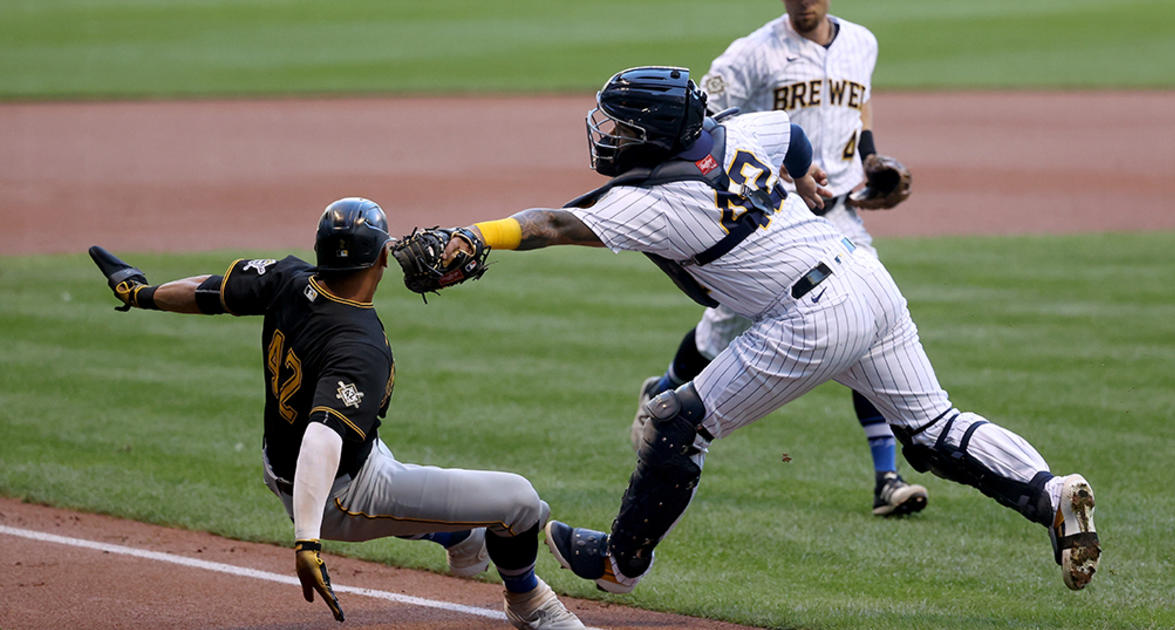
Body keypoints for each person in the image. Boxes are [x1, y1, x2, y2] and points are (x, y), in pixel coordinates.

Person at [433, 67, 1101, 595]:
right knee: (933, 429)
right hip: (864, 275)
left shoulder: (660, 202)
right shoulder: (734, 131)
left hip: (810, 316)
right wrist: (808, 182)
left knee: (675, 421)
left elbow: (553, 224)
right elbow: (793, 135)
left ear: (654, 133)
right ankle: (1050, 493)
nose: (606, 134)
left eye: (619, 125)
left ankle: (618, 564)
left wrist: (472, 234)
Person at [89, 198, 584, 630]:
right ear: (383, 259)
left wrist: (143, 294)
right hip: (334, 492)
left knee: (411, 483)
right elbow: (321, 440)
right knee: (521, 504)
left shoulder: (287, 277)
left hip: (295, 459)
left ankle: (460, 537)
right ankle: (528, 602)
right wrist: (308, 540)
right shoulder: (359, 348)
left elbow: (209, 289)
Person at [629, 0, 926, 517]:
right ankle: (663, 392)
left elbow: (861, 108)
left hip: (837, 216)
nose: (802, 3)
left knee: (868, 324)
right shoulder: (752, 53)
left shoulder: (862, 42)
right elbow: (701, 113)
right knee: (719, 329)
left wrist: (871, 156)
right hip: (773, 220)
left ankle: (887, 477)